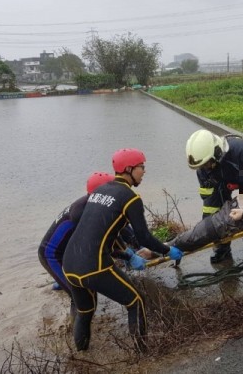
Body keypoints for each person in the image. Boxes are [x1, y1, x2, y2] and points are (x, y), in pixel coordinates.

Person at [62, 148, 183, 351]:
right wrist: (167, 250)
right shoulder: (130, 198)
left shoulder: (99, 191)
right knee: (136, 300)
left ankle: (82, 357)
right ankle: (142, 355)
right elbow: (144, 237)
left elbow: (98, 229)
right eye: (141, 167)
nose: (144, 171)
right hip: (94, 266)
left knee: (85, 311)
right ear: (129, 169)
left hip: (69, 264)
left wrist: (126, 254)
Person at [38, 172, 115, 315]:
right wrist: (128, 256)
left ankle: (62, 281)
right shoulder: (83, 212)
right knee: (80, 297)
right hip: (52, 257)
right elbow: (103, 242)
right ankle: (74, 334)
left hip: (68, 252)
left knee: (80, 287)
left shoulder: (92, 204)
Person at [186, 129, 243, 263]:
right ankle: (222, 248)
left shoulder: (242, 152)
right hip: (224, 179)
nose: (205, 168)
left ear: (217, 153)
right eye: (202, 166)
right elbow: (209, 204)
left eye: (206, 164)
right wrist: (208, 229)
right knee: (217, 213)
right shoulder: (204, 168)